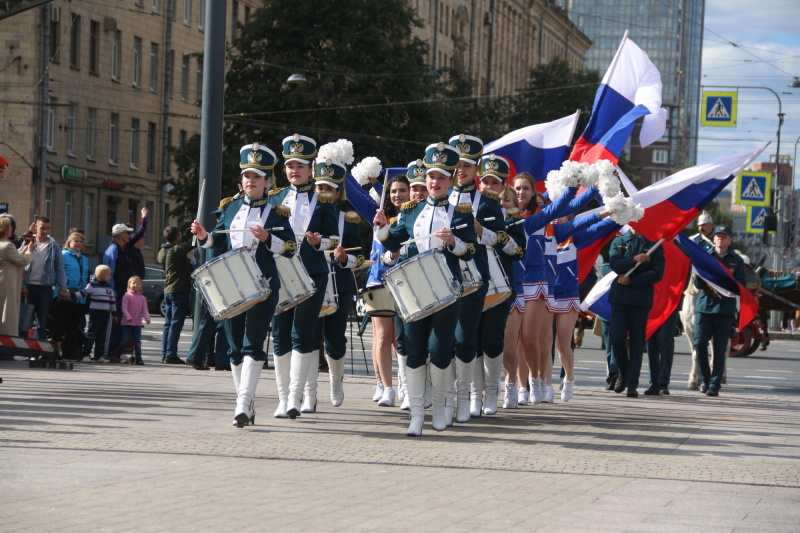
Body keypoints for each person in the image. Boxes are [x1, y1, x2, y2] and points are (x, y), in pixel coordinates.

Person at [374, 142, 476, 436]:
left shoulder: (461, 212)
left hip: (448, 290)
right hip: (414, 291)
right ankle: (417, 413)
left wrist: (453, 242)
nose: (435, 182)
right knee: (415, 348)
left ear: (451, 179)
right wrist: (381, 229)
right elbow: (393, 244)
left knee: (440, 348)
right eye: (431, 176)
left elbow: (469, 251)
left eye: (442, 177)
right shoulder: (410, 210)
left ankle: (443, 404)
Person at [193, 142, 296, 427]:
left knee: (253, 343)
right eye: (247, 176)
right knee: (234, 347)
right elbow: (217, 242)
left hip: (265, 283)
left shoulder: (278, 212)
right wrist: (203, 236)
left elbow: (290, 248)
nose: (251, 181)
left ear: (267, 181)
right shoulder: (230, 207)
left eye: (257, 176)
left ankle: (241, 403)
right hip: (232, 283)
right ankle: (247, 404)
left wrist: (267, 239)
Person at [268, 134, 338, 419]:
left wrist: (318, 242)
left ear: (311, 169)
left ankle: (297, 397)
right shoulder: (273, 198)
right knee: (280, 335)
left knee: (303, 334)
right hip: (279, 273)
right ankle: (283, 398)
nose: (294, 171)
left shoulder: (323, 200)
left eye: (300, 165)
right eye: (290, 166)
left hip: (312, 273)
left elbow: (333, 240)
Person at [446, 135, 507, 424]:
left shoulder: (488, 201)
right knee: (446, 340)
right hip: (444, 275)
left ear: (476, 166)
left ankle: (481, 394)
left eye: (467, 165)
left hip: (476, 274)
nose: (461, 170)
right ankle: (447, 396)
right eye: (457, 164)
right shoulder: (440, 196)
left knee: (468, 339)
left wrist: (481, 231)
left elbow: (502, 239)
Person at [309, 158, 365, 411]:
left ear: (339, 192)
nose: (324, 193)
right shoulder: (305, 214)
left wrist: (345, 258)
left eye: (329, 188)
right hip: (309, 282)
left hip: (339, 284)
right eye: (319, 187)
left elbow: (360, 257)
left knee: (335, 339)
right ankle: (309, 392)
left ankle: (335, 381)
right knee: (307, 337)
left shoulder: (348, 219)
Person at [473, 155, 525, 416]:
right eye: (485, 181)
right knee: (471, 339)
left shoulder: (512, 217)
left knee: (493, 340)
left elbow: (518, 252)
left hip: (501, 287)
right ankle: (475, 393)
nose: (488, 186)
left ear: (504, 185)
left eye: (494, 182)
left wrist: (488, 234)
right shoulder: (468, 208)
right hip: (473, 283)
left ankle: (493, 391)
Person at [365, 173, 410, 408]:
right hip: (379, 280)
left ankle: (404, 383)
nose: (397, 195)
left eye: (403, 190)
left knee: (399, 338)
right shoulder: (381, 216)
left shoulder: (413, 216)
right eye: (393, 191)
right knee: (383, 337)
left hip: (405, 281)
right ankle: (386, 387)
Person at [608, 228, 665, 397]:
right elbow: (614, 263)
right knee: (616, 338)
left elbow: (657, 273)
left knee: (637, 342)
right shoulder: (619, 241)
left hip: (640, 299)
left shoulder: (654, 244)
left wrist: (633, 280)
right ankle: (623, 372)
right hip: (619, 297)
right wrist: (633, 259)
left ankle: (632, 384)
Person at [693, 224, 745, 397]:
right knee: (699, 344)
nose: (720, 238)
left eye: (724, 236)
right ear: (713, 238)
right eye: (718, 236)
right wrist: (707, 283)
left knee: (720, 349)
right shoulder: (705, 256)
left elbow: (741, 286)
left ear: (730, 239)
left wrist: (724, 285)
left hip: (724, 309)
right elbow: (697, 282)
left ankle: (715, 383)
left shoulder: (736, 260)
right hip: (705, 306)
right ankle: (705, 379)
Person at [21, 216, 68, 339]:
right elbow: (19, 263)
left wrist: (63, 288)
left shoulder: (54, 246)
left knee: (42, 322)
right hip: (29, 286)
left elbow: (60, 268)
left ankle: (38, 351)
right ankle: (22, 351)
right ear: (36, 227)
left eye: (48, 228)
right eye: (42, 228)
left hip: (45, 287)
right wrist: (22, 285)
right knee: (25, 320)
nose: (45, 231)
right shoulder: (27, 242)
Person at [683, 211, 714, 389]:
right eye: (700, 225)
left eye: (705, 224)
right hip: (694, 281)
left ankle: (732, 323)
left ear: (711, 225)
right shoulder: (693, 240)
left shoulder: (717, 239)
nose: (702, 227)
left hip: (712, 284)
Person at [158, 225, 194, 366]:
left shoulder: (162, 252)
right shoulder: (176, 250)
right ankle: (171, 354)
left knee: (168, 323)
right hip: (178, 289)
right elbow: (193, 243)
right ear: (177, 237)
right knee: (176, 323)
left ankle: (165, 353)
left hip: (167, 289)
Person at [53, 232, 90, 360]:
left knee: (74, 326)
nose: (78, 243)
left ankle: (68, 353)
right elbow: (57, 273)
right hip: (65, 295)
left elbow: (85, 278)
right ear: (69, 243)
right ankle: (53, 350)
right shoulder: (63, 255)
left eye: (81, 241)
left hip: (79, 297)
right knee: (62, 324)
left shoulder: (85, 259)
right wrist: (59, 289)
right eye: (75, 241)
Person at [73, 264, 118, 362]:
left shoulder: (109, 288)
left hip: (105, 315)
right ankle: (85, 354)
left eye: (110, 274)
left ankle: (99, 356)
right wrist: (71, 295)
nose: (109, 276)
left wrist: (114, 314)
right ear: (100, 275)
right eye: (107, 274)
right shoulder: (92, 285)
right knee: (91, 334)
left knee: (102, 336)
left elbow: (112, 302)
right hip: (95, 314)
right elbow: (83, 293)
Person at [0, 216, 36, 336]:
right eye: (10, 226)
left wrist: (23, 251)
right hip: (9, 283)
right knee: (8, 311)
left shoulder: (3, 245)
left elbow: (11, 259)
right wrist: (30, 251)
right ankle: (8, 340)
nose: (12, 229)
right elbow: (22, 261)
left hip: (3, 281)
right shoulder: (7, 245)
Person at [115, 276, 151, 365]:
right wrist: (128, 317)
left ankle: (139, 358)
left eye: (138, 283)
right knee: (126, 340)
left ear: (141, 286)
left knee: (137, 342)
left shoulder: (142, 298)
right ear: (129, 285)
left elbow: (145, 309)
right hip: (127, 323)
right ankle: (117, 354)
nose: (135, 285)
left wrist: (147, 318)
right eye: (133, 283)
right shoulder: (127, 295)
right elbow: (124, 308)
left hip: (137, 324)